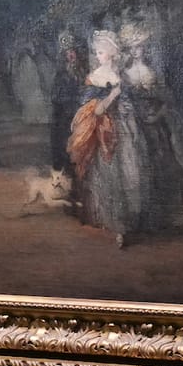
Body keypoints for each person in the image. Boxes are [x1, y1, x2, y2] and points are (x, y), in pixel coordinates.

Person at [68, 30, 155, 248]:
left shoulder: (123, 76)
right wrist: (113, 95)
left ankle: (130, 222)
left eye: (101, 52)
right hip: (105, 133)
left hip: (125, 129)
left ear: (112, 53)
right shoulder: (96, 76)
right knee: (111, 177)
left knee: (131, 172)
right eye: (97, 52)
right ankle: (118, 227)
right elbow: (96, 110)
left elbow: (131, 103)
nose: (97, 55)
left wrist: (130, 109)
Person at [118, 21, 182, 229]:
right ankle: (141, 215)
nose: (139, 50)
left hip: (155, 125)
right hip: (135, 126)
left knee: (160, 164)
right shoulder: (123, 75)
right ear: (129, 49)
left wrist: (158, 115)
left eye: (141, 46)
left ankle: (159, 217)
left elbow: (167, 99)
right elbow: (123, 101)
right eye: (135, 47)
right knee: (138, 167)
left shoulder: (153, 71)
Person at [48, 30, 88, 172]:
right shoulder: (61, 74)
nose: (71, 55)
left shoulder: (83, 70)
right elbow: (56, 97)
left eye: (73, 51)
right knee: (64, 142)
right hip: (65, 115)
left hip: (80, 112)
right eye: (67, 52)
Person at [11, 34, 48, 126]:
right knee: (29, 93)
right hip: (25, 70)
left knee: (34, 92)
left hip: (30, 70)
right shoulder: (20, 47)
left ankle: (37, 117)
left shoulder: (30, 49)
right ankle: (32, 117)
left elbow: (34, 53)